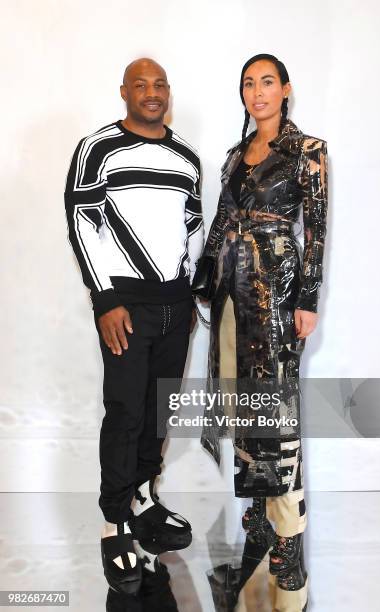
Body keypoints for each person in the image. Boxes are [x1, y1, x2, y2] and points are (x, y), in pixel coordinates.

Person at [64, 57, 203, 596]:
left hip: (175, 305)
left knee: (158, 409)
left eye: (160, 84)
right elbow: (81, 220)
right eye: (141, 84)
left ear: (168, 92)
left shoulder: (185, 156)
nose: (152, 92)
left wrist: (189, 294)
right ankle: (114, 523)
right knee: (125, 410)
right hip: (126, 303)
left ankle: (143, 498)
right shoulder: (97, 147)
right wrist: (105, 299)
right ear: (124, 91)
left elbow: (190, 226)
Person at [197, 53, 328, 610]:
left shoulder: (308, 151)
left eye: (267, 82)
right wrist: (203, 278)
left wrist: (307, 298)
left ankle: (288, 539)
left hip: (275, 290)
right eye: (249, 84)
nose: (257, 92)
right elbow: (223, 219)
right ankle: (258, 523)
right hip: (233, 293)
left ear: (286, 89)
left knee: (276, 412)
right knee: (244, 404)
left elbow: (317, 229)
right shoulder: (234, 156)